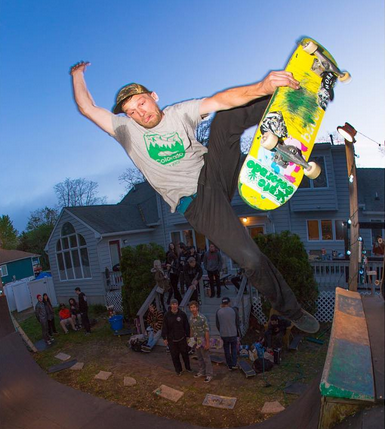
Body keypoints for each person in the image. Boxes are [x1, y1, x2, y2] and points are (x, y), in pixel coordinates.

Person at [70, 62, 319, 334]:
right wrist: (77, 74)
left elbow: (220, 100)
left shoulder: (179, 113)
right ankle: (292, 310)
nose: (139, 114)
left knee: (225, 118)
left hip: (213, 172)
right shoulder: (126, 131)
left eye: (141, 104)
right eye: (131, 112)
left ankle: (284, 101)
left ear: (154, 97)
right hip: (199, 205)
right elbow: (87, 109)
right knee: (251, 260)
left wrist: (263, 87)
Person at [161, 299, 192, 376]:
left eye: (176, 304)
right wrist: (164, 338)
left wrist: (188, 336)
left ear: (177, 305)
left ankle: (188, 368)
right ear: (171, 305)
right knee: (175, 356)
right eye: (173, 304)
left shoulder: (182, 314)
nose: (174, 306)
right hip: (172, 340)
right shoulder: (167, 315)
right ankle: (178, 370)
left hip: (182, 338)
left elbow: (186, 326)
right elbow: (164, 327)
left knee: (185, 354)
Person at [188, 300, 213, 382]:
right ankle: (202, 371)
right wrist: (191, 340)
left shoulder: (202, 318)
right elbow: (191, 329)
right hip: (195, 341)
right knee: (199, 357)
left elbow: (206, 331)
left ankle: (209, 374)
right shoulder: (191, 318)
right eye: (191, 307)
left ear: (197, 308)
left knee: (206, 357)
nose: (193, 309)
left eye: (194, 307)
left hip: (202, 340)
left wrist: (207, 343)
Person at [216, 297, 240, 371]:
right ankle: (234, 363)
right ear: (229, 302)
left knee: (226, 349)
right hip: (233, 333)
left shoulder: (218, 311)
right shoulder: (234, 310)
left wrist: (221, 331)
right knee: (233, 348)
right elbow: (237, 322)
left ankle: (229, 365)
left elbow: (217, 324)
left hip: (224, 334)